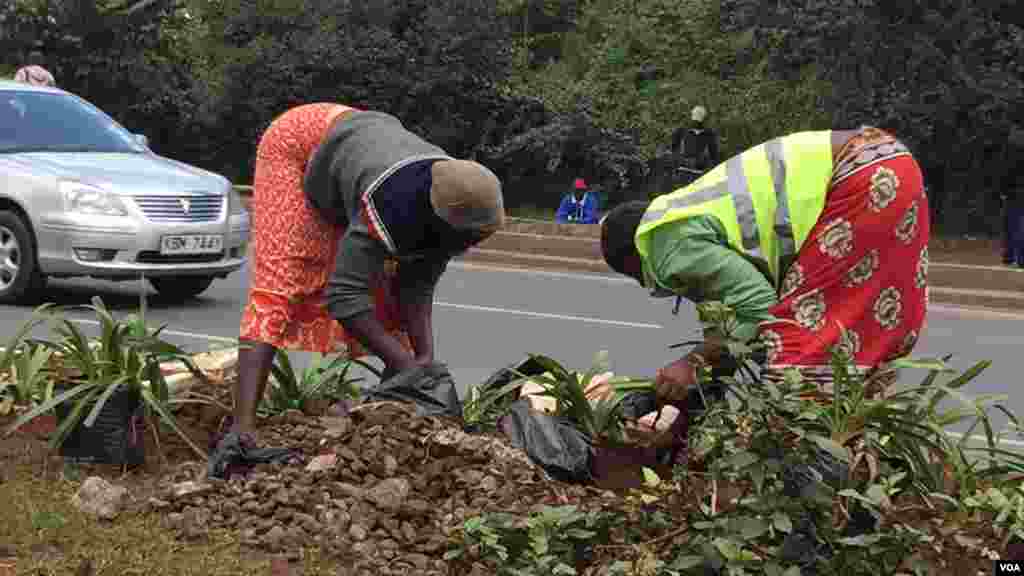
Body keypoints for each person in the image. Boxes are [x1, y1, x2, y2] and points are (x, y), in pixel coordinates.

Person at [208, 103, 504, 478]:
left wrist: (424, 356)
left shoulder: (460, 192)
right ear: (447, 222)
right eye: (473, 238)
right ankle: (242, 430)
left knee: (389, 297)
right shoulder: (394, 202)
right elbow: (344, 296)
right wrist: (404, 363)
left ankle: (397, 406)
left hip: (358, 150)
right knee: (281, 283)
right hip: (301, 144)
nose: (474, 245)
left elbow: (417, 282)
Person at [600, 126, 930, 404]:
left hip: (856, 178)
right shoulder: (684, 213)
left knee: (797, 350)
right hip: (890, 162)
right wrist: (701, 389)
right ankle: (869, 448)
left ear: (636, 263)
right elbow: (731, 330)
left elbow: (759, 306)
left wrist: (690, 363)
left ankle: (806, 464)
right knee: (858, 337)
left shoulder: (665, 245)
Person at [671, 105, 719, 173]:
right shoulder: (681, 131)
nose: (697, 122)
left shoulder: (709, 134)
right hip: (685, 169)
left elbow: (714, 155)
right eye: (696, 120)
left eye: (698, 121)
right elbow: (673, 149)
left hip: (696, 170)